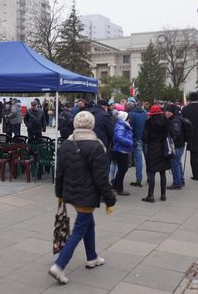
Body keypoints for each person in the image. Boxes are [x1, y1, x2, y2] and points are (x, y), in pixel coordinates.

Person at [50, 111, 116, 285]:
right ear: (92, 125)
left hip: (71, 193)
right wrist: (110, 200)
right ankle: (59, 265)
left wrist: (59, 193)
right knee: (80, 229)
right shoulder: (97, 146)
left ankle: (92, 257)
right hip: (86, 194)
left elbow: (60, 173)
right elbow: (101, 177)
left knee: (88, 223)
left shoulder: (66, 144)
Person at [142, 105, 170, 202]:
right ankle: (163, 195)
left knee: (151, 172)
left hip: (153, 148)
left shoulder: (149, 122)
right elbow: (168, 133)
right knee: (162, 172)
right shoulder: (166, 121)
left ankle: (151, 195)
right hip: (163, 148)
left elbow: (145, 138)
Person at [165, 104, 190, 189]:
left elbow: (176, 133)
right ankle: (181, 180)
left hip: (177, 145)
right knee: (178, 162)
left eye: (169, 111)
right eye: (166, 111)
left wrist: (171, 141)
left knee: (174, 163)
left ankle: (177, 182)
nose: (167, 113)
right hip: (180, 145)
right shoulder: (176, 119)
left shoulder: (175, 121)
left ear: (172, 112)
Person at [111, 111, 133, 196]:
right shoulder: (121, 126)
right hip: (121, 150)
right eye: (128, 118)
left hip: (122, 150)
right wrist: (129, 142)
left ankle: (115, 185)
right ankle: (119, 188)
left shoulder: (123, 125)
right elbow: (118, 137)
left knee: (122, 169)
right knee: (123, 169)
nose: (130, 119)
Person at [127, 101, 147, 188]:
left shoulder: (131, 114)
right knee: (148, 159)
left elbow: (130, 127)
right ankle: (150, 177)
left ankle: (139, 180)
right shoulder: (145, 113)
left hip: (136, 139)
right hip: (146, 139)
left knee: (138, 161)